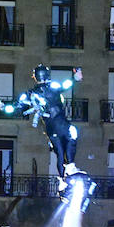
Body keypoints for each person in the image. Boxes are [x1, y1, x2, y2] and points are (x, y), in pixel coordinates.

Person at [17, 63, 91, 198]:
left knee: (59, 152)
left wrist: (4, 107)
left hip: (50, 129)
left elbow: (17, 105)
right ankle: (70, 167)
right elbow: (66, 85)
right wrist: (75, 78)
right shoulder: (52, 87)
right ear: (46, 75)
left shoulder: (31, 93)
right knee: (71, 137)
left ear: (35, 77)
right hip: (61, 122)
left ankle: (63, 180)